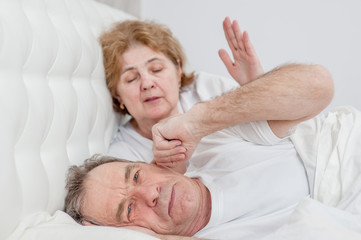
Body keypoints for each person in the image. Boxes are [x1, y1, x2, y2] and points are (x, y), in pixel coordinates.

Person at [100, 17, 264, 173]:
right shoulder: (122, 156)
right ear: (117, 95)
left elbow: (265, 135)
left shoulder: (207, 88)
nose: (147, 83)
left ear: (178, 71)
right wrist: (162, 167)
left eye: (156, 69)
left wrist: (257, 87)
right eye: (131, 79)